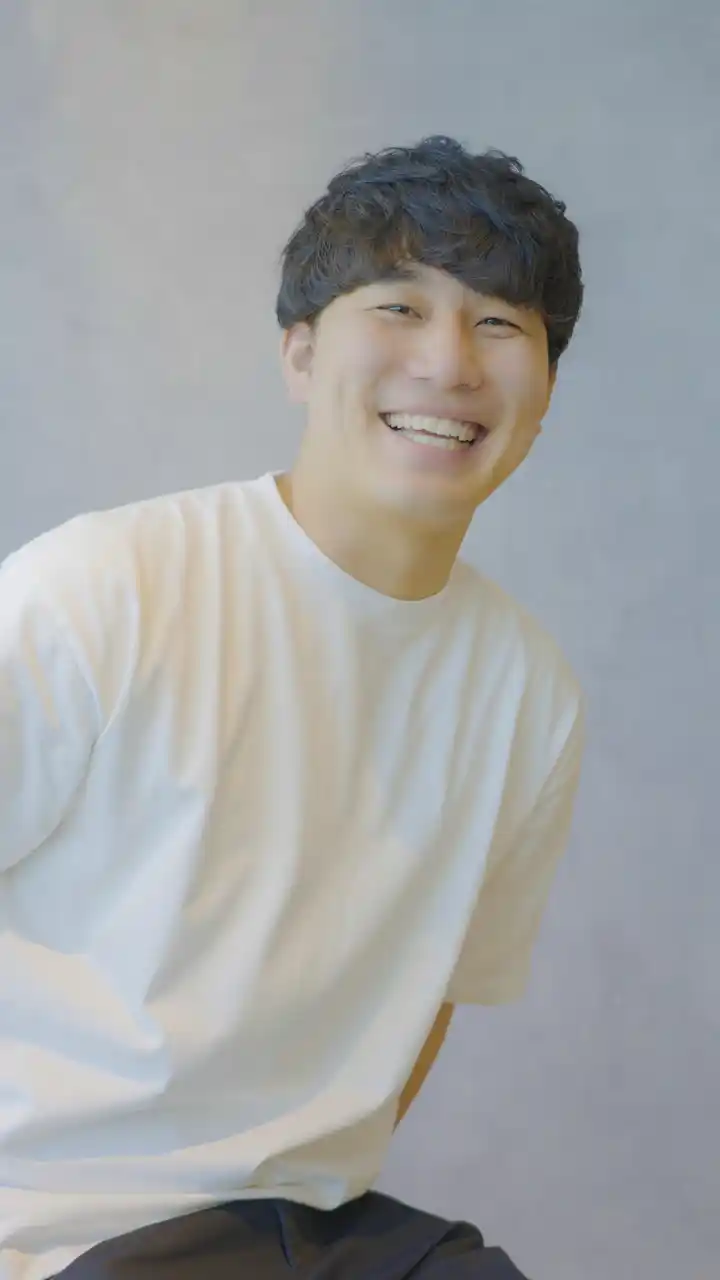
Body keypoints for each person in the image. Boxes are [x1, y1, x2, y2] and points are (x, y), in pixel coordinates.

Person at [0, 136, 586, 1279]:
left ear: (547, 391)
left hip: (301, 1230)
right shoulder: (103, 588)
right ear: (302, 354)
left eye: (498, 323)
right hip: (51, 1224)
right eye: (399, 306)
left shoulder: (529, 688)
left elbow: (430, 995)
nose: (448, 361)